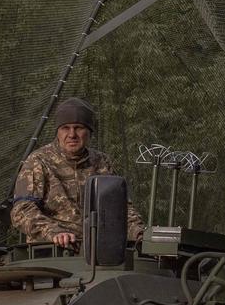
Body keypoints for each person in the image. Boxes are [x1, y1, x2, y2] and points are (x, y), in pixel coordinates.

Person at [11, 97, 145, 247]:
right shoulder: (39, 161)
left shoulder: (102, 162)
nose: (72, 134)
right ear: (58, 132)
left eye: (78, 127)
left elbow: (121, 208)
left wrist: (139, 233)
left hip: (98, 250)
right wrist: (54, 232)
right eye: (65, 128)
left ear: (89, 131)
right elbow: (22, 211)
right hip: (51, 251)